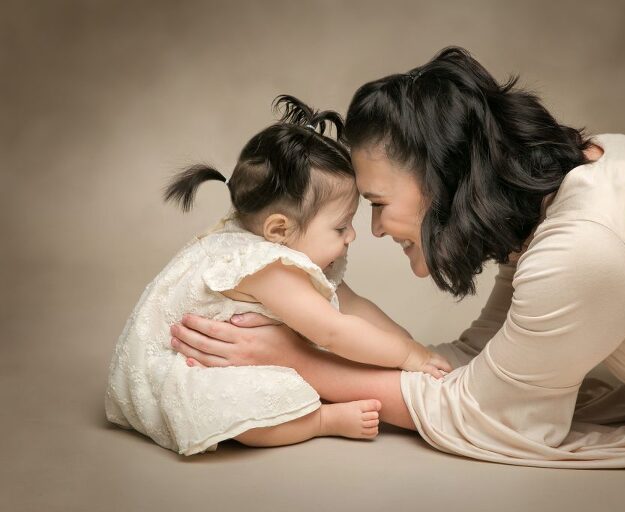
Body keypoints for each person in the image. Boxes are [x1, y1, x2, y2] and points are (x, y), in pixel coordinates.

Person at [170, 48, 625, 475]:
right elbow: (472, 363)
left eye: (378, 204)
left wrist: (297, 359)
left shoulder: (583, 247)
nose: (373, 230)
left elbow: (477, 410)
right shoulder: (545, 207)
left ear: (446, 181)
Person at [105, 95, 451, 455]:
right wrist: (407, 358)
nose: (352, 236)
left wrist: (409, 345)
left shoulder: (287, 245)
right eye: (341, 227)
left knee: (332, 353)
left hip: (241, 348)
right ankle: (321, 422)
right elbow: (333, 331)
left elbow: (352, 306)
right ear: (279, 230)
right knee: (258, 404)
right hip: (187, 365)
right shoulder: (265, 267)